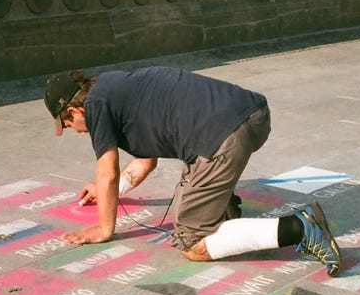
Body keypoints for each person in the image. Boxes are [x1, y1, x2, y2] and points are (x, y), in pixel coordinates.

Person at [44, 66, 342, 277]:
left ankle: (302, 227)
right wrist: (108, 192)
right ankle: (222, 209)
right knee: (193, 190)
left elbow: (106, 171)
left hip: (222, 135)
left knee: (191, 242)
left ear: (74, 111)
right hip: (251, 114)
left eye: (68, 125)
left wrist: (103, 229)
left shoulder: (96, 107)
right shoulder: (112, 87)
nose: (75, 131)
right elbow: (145, 161)